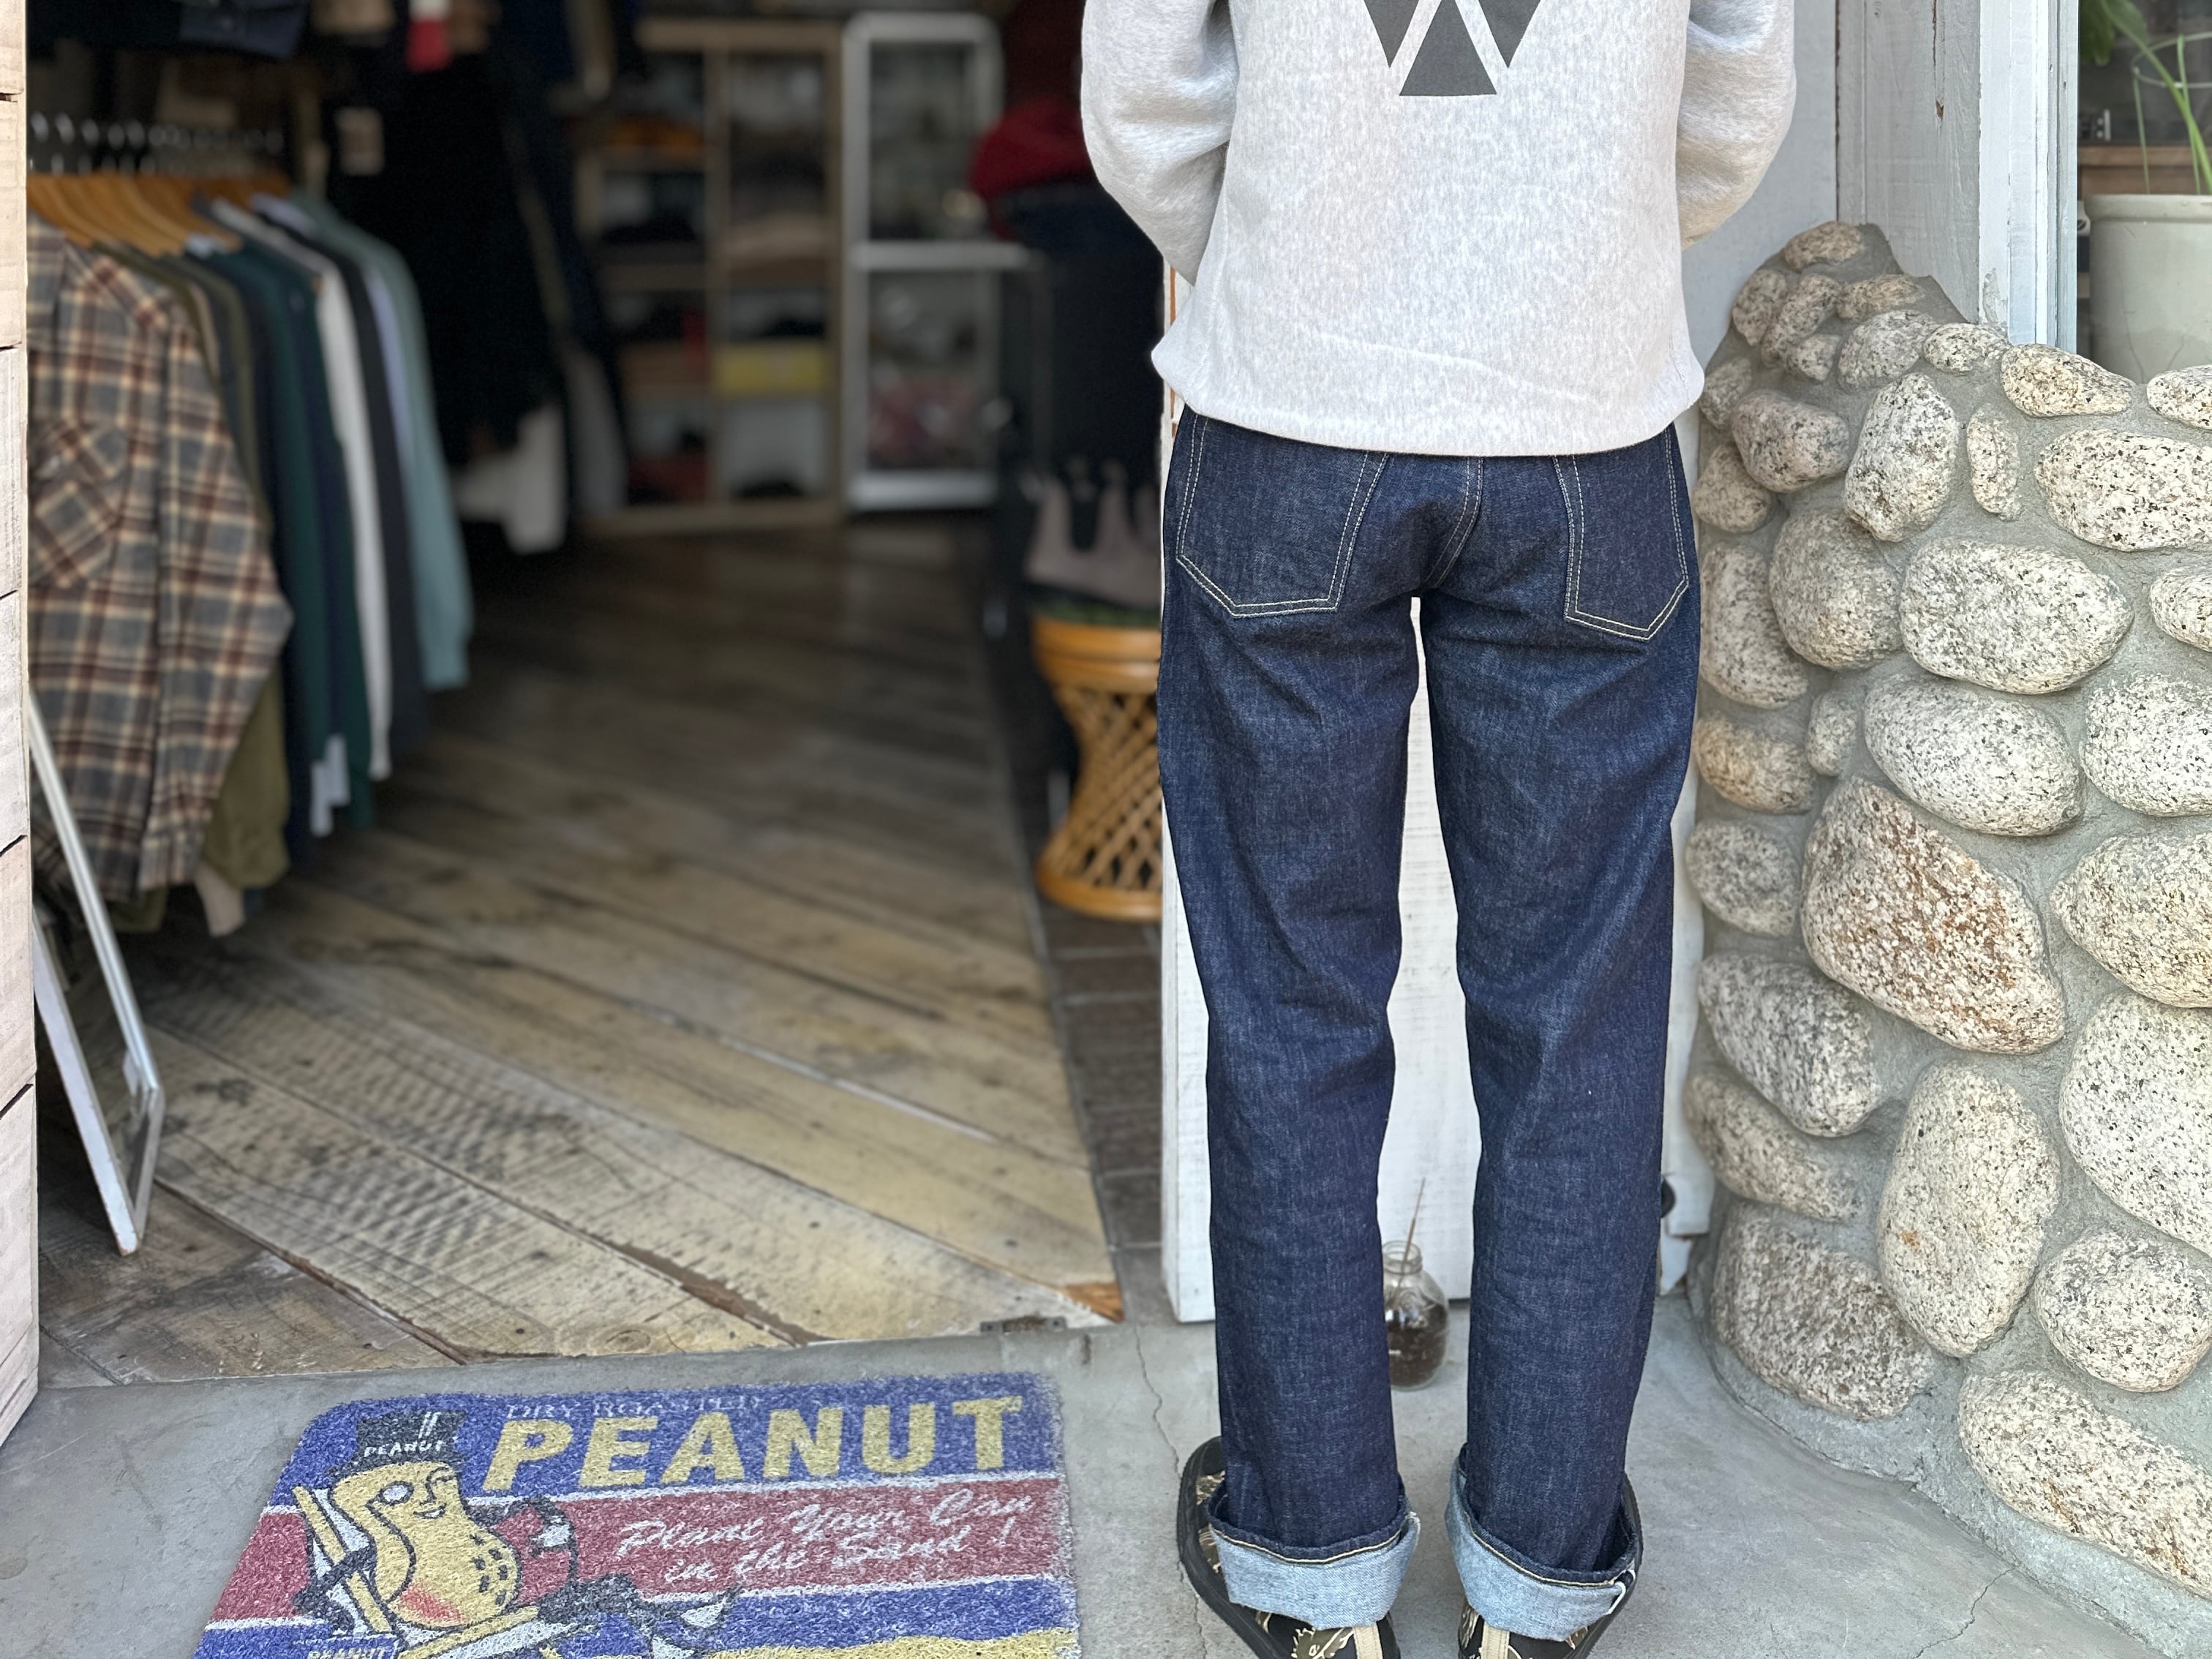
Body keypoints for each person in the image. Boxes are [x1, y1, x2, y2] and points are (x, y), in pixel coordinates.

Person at [1081, 1, 1795, 1654]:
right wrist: (1574, 249)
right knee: (1576, 1021)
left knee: (1289, 1012)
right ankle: (1536, 1592)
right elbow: (1738, 85)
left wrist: (1298, 260)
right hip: (1586, 437)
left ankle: (1314, 1580)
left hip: (1291, 423)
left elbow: (1142, 93)